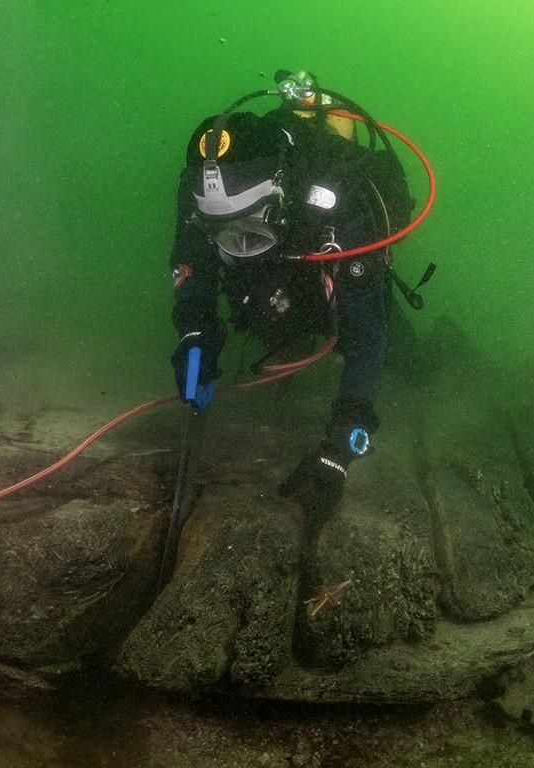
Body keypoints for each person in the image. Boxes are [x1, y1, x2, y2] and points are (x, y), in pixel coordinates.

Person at [168, 71, 416, 510]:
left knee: (403, 356)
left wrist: (342, 445)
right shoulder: (197, 190)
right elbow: (193, 268)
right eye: (220, 232)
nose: (236, 248)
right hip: (274, 291)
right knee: (269, 323)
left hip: (333, 284)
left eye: (251, 229)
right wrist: (195, 332)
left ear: (280, 195)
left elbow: (367, 339)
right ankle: (289, 339)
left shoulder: (343, 210)